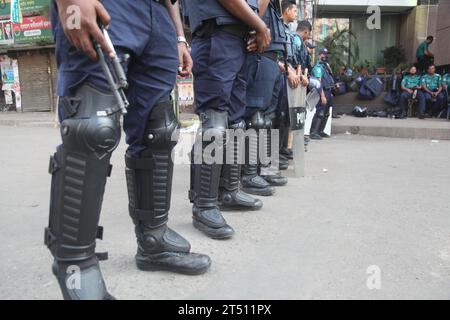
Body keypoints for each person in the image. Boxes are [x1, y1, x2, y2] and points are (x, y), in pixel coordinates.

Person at [45, 0, 212, 300]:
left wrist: (177, 35)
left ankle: (153, 240)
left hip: (159, 14)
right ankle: (76, 266)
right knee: (91, 129)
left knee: (159, 130)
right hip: (107, 6)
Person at [183, 0, 271, 239]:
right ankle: (204, 205)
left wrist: (254, 27)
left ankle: (229, 190)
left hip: (238, 39)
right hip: (216, 36)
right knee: (215, 124)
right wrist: (260, 26)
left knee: (235, 122)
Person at [310, 48, 335, 140]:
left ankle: (320, 131)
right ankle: (313, 132)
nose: (326, 56)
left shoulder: (325, 66)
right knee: (320, 112)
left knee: (326, 113)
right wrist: (322, 96)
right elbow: (318, 83)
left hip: (328, 91)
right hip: (322, 91)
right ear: (319, 55)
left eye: (327, 54)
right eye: (324, 54)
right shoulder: (318, 67)